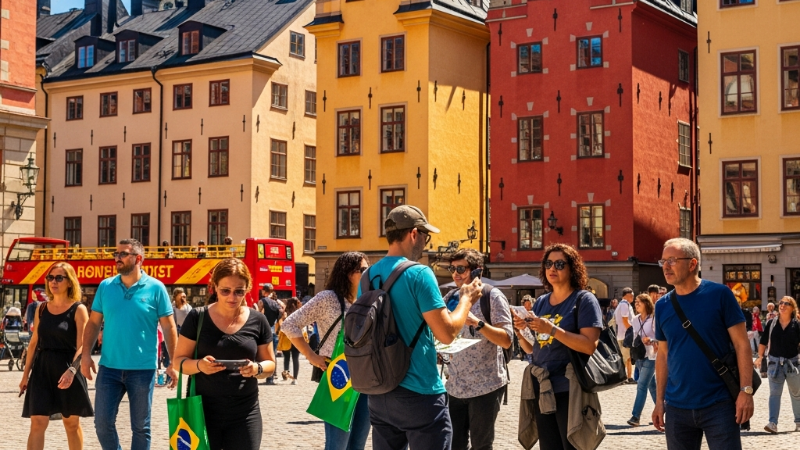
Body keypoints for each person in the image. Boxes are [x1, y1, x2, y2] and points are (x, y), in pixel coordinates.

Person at [366, 205, 483, 450]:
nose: (426, 243)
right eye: (425, 236)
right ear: (413, 234)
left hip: (379, 391)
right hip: (419, 391)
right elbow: (448, 333)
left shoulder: (369, 276)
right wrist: (466, 299)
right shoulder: (419, 273)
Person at [652, 238, 753, 449]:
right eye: (663, 261)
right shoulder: (662, 305)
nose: (666, 267)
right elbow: (663, 355)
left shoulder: (720, 295)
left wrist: (746, 391)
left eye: (672, 260)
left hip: (720, 405)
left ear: (692, 264)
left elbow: (742, 344)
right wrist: (659, 401)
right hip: (677, 408)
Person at [80, 239, 179, 450]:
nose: (117, 258)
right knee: (102, 424)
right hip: (109, 369)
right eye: (116, 254)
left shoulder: (156, 288)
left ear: (138, 258)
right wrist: (86, 355)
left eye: (123, 254)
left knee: (141, 428)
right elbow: (94, 323)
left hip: (143, 370)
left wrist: (173, 363)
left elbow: (170, 328)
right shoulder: (106, 287)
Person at [173, 258, 276, 450]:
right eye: (225, 291)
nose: (232, 297)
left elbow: (270, 364)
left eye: (239, 291)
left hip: (245, 413)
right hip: (202, 411)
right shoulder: (197, 317)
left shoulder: (258, 320)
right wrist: (199, 366)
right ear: (214, 287)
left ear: (247, 289)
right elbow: (178, 362)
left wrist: (257, 368)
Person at [513, 243, 603, 450]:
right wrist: (520, 331)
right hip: (542, 387)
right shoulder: (542, 302)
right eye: (548, 263)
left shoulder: (584, 299)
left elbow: (590, 345)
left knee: (572, 445)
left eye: (560, 264)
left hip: (569, 387)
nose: (552, 268)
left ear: (573, 268)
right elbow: (533, 349)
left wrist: (552, 329)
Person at [281, 251, 372, 450]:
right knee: (337, 445)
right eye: (363, 270)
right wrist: (311, 356)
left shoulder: (367, 300)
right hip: (339, 378)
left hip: (366, 379)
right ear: (348, 272)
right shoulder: (328, 298)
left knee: (358, 444)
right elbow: (289, 325)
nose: (368, 274)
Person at [442, 249, 512, 450]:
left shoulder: (492, 296)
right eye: (452, 268)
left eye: (461, 268)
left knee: (481, 445)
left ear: (476, 271)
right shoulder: (450, 297)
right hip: (455, 386)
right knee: (454, 445)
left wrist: (478, 323)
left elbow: (507, 340)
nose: (455, 273)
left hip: (486, 386)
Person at [20, 263, 93, 450]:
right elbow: (34, 342)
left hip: (68, 368)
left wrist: (72, 370)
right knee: (37, 421)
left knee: (71, 423)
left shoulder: (78, 309)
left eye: (59, 278)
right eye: (50, 278)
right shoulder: (41, 309)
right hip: (42, 370)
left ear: (69, 282)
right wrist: (25, 375)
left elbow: (82, 345)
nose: (53, 282)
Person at [755, 296, 800, 434]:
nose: (782, 305)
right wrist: (760, 357)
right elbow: (763, 342)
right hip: (774, 363)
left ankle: (798, 421)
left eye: (786, 303)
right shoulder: (771, 323)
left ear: (792, 308)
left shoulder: (797, 324)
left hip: (793, 364)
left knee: (796, 393)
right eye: (781, 303)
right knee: (774, 393)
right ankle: (772, 423)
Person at [627, 293, 658, 427]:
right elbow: (635, 337)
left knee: (641, 385)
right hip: (639, 356)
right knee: (651, 386)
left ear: (647, 304)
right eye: (636, 303)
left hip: (652, 356)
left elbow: (660, 337)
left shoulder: (654, 319)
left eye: (639, 302)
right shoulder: (635, 319)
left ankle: (635, 417)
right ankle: (663, 410)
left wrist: (651, 341)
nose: (636, 304)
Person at [259, 284, 284, 385]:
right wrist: (277, 319)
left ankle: (268, 377)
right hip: (274, 330)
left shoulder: (262, 301)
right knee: (272, 354)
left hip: (265, 331)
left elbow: (258, 315)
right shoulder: (276, 303)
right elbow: (283, 310)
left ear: (264, 291)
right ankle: (273, 376)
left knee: (265, 355)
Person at [278, 297, 303, 384]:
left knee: (286, 357)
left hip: (286, 338)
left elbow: (281, 326)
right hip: (297, 337)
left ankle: (285, 376)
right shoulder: (299, 314)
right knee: (295, 358)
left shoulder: (285, 314)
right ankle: (295, 378)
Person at [614, 287, 635, 383]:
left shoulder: (623, 304)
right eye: (632, 295)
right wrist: (633, 331)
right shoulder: (624, 305)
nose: (633, 297)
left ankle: (628, 377)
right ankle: (623, 378)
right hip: (625, 335)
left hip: (623, 335)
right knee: (625, 358)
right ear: (627, 295)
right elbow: (625, 320)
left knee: (627, 358)